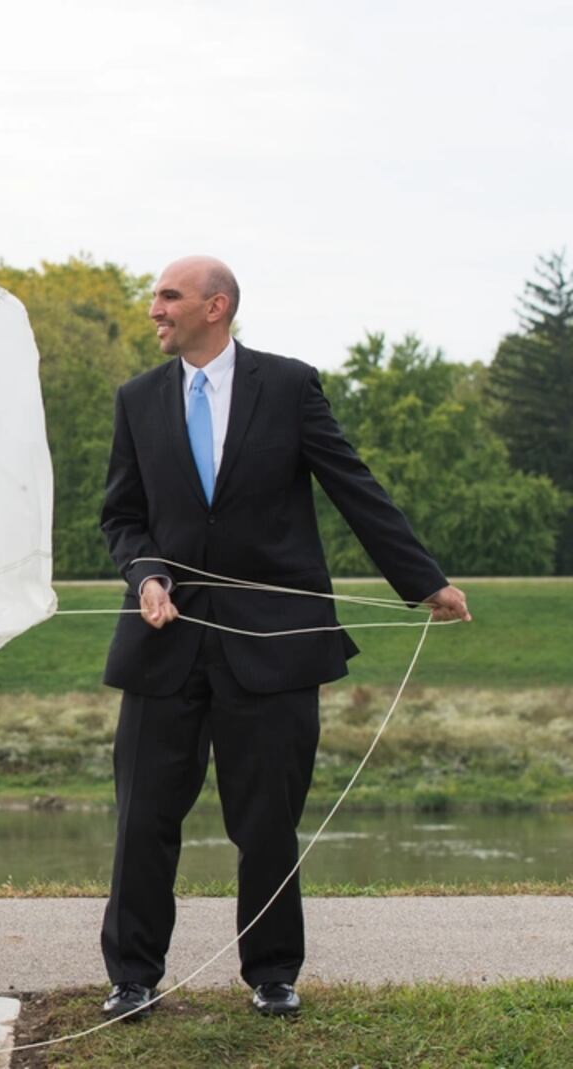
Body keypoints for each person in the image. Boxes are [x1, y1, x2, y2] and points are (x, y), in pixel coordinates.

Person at [97, 255, 470, 1020]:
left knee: (266, 819)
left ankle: (272, 972)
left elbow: (352, 484)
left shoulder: (290, 386)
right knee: (143, 818)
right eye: (156, 297)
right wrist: (147, 577)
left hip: (274, 646)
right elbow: (122, 517)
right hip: (164, 644)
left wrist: (423, 581)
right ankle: (132, 976)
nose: (154, 310)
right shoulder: (136, 400)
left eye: (169, 296)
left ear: (216, 306)